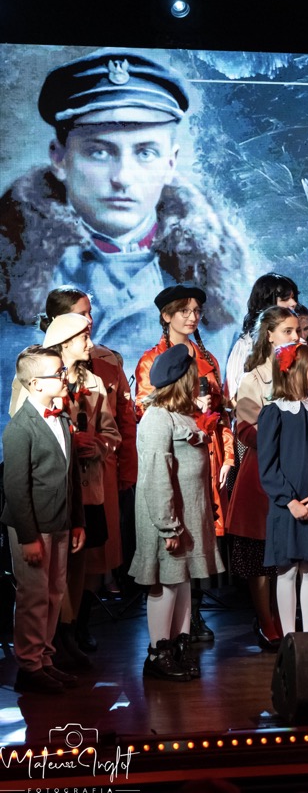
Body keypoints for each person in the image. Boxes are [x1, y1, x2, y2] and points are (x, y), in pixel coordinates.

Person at [0, 49, 245, 353]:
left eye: (145, 153)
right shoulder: (10, 278)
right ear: (59, 158)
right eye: (99, 152)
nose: (123, 177)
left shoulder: (218, 297)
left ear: (171, 163)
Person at [11, 314, 118, 672]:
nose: (90, 343)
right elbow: (19, 475)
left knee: (64, 579)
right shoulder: (29, 406)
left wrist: (97, 445)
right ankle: (37, 658)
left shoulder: (87, 390)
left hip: (75, 500)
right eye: (83, 337)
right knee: (37, 589)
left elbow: (109, 435)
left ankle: (58, 643)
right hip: (41, 507)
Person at [32, 286, 137, 651]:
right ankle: (51, 639)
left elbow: (121, 424)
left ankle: (77, 625)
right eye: (81, 314)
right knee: (57, 561)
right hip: (53, 480)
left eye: (90, 313)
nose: (89, 321)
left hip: (96, 478)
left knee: (92, 556)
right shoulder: (36, 368)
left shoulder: (103, 365)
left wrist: (113, 457)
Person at [135, 284, 233, 641]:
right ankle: (165, 641)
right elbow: (148, 408)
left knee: (200, 536)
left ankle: (190, 621)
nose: (192, 317)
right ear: (167, 316)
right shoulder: (154, 360)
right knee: (175, 550)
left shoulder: (207, 358)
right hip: (178, 451)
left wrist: (228, 455)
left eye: (196, 311)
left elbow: (222, 413)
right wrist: (192, 410)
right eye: (184, 311)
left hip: (207, 452)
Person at [130, 344, 224, 681]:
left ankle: (179, 645)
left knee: (181, 582)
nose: (199, 380)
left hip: (187, 517)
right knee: (165, 584)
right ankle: (159, 652)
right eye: (194, 375)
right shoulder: (157, 418)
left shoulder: (182, 415)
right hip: (167, 519)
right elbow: (157, 474)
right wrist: (168, 526)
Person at [1, 345, 85, 694]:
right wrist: (28, 537)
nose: (65, 377)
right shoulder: (20, 428)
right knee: (34, 596)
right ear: (35, 383)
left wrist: (77, 520)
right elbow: (15, 489)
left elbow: (71, 475)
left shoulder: (61, 419)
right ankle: (29, 665)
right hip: (33, 527)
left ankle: (45, 658)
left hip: (60, 521)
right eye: (58, 373)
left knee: (54, 593)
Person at [225, 306, 299, 649]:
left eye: (297, 331)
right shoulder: (253, 379)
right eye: (287, 331)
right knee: (260, 551)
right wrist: (282, 435)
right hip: (261, 475)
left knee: (288, 553)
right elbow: (245, 430)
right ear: (269, 335)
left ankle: (285, 618)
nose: (296, 337)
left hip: (296, 472)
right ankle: (265, 620)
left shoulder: (301, 373)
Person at [258, 343, 308, 637]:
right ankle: (291, 637)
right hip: (286, 507)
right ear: (293, 371)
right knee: (287, 570)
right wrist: (289, 501)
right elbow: (268, 465)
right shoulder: (274, 412)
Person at [224, 273, 299, 400]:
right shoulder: (246, 344)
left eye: (293, 297)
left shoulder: (297, 340)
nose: (293, 303)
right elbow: (233, 395)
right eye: (285, 299)